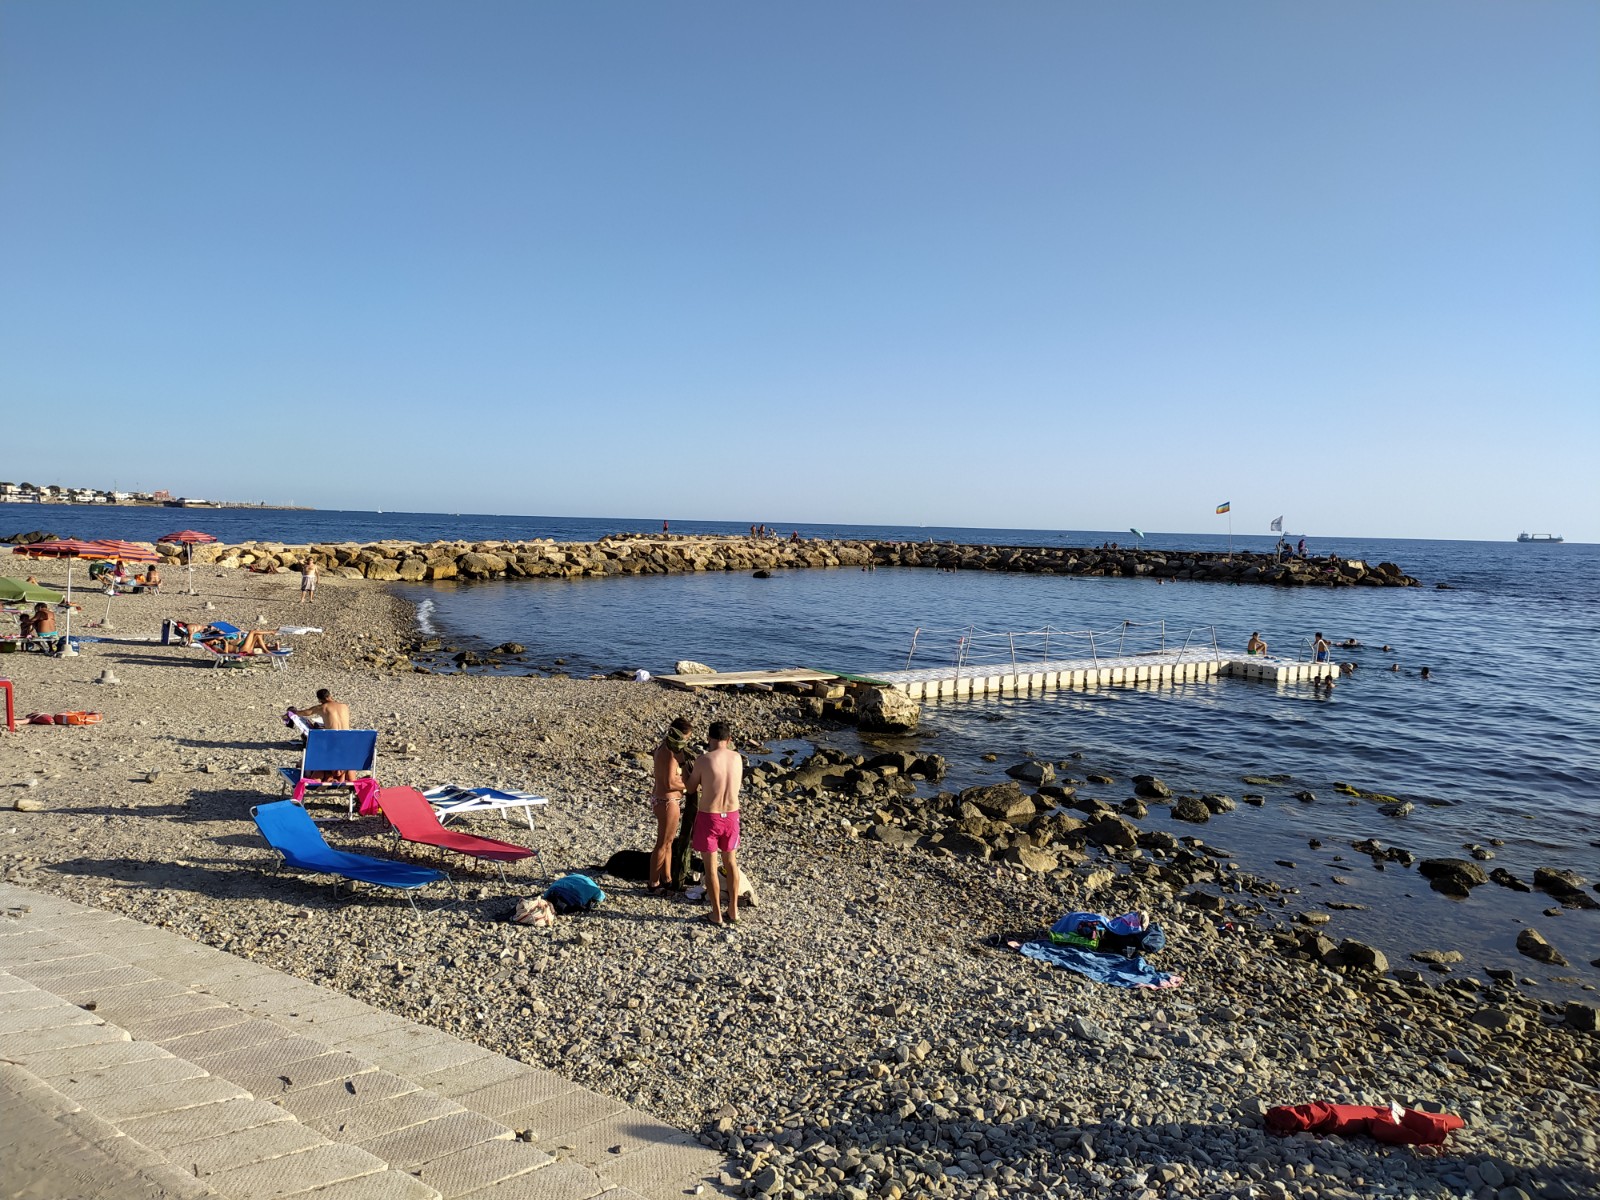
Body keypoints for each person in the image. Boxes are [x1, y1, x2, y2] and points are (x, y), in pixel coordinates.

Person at [685, 721, 743, 925]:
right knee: (731, 863)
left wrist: (686, 771)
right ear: (729, 740)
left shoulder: (704, 760)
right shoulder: (737, 758)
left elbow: (691, 788)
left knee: (711, 867)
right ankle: (733, 910)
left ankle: (716, 913)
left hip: (710, 816)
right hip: (732, 815)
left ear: (709, 738)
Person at [648, 717, 693, 894]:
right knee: (663, 843)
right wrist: (690, 784)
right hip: (668, 801)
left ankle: (666, 878)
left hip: (661, 799)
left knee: (668, 843)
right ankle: (653, 883)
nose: (687, 741)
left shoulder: (662, 747)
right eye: (686, 738)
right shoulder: (670, 752)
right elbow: (668, 782)